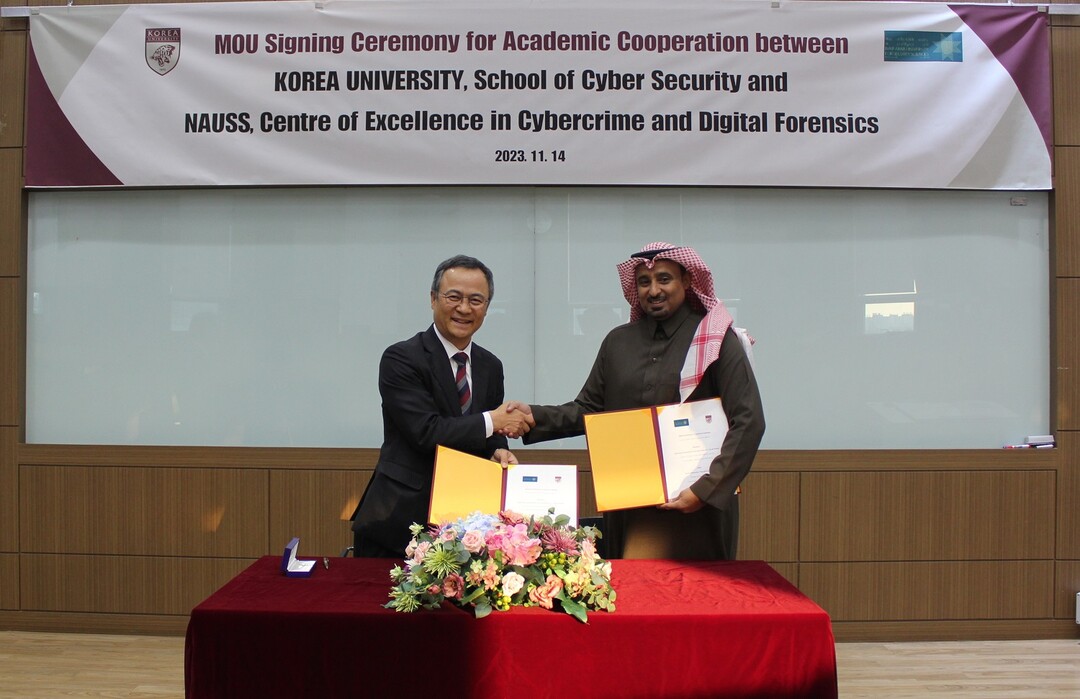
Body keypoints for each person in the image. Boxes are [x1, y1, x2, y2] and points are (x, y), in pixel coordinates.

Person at [507, 242, 764, 560]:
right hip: (629, 504)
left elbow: (748, 419)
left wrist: (706, 489)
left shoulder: (715, 338)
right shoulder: (618, 342)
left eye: (664, 279)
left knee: (697, 591)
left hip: (698, 506)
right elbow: (589, 409)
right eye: (644, 282)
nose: (654, 290)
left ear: (686, 280)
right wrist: (533, 417)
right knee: (633, 587)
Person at [351, 255, 531, 558]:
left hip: (467, 524)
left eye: (476, 300)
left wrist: (498, 449)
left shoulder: (490, 365)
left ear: (487, 307)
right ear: (433, 299)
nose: (464, 308)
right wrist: (494, 421)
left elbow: (487, 432)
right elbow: (426, 431)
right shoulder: (401, 358)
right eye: (454, 297)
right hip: (400, 521)